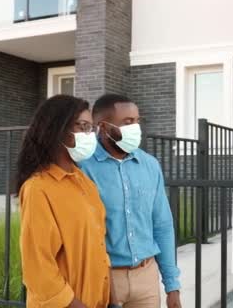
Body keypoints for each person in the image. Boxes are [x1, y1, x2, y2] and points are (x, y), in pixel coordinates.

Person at [79, 94, 182, 308]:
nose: (135, 127)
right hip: (104, 279)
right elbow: (80, 234)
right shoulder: (82, 167)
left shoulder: (150, 165)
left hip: (146, 277)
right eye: (127, 122)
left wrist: (172, 286)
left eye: (137, 121)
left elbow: (162, 225)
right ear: (103, 127)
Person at [17, 95, 110, 308]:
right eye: (83, 126)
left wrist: (111, 300)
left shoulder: (85, 183)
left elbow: (99, 248)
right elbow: (38, 268)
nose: (91, 135)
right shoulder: (38, 188)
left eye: (92, 128)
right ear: (58, 129)